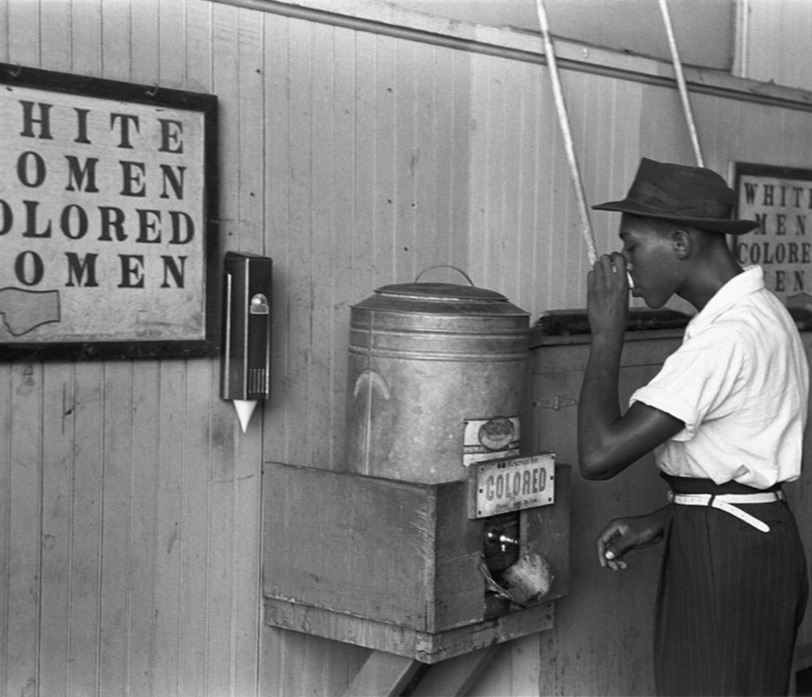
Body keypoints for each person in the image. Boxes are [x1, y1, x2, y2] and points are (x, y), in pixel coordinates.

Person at [578, 157, 809, 696]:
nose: (626, 264)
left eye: (632, 245)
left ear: (680, 242)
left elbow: (599, 455)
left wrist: (607, 333)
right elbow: (740, 460)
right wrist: (668, 517)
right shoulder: (761, 312)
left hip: (725, 555)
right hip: (745, 535)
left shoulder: (727, 337)